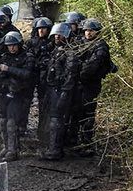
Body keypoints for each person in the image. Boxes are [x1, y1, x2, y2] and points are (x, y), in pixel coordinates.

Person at [71, 18, 116, 155]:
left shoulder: (100, 46)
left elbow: (92, 66)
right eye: (86, 30)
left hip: (91, 84)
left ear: (97, 32)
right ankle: (74, 140)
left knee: (88, 113)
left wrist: (78, 75)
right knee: (75, 111)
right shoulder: (79, 43)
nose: (88, 33)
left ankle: (87, 143)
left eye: (91, 30)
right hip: (78, 84)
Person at [0, 31, 36, 161]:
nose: (12, 48)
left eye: (14, 45)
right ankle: (6, 147)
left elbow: (27, 74)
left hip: (19, 93)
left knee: (12, 122)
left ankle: (13, 150)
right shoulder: (4, 56)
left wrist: (8, 69)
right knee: (2, 120)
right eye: (9, 45)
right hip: (4, 92)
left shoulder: (27, 56)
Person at [40, 23, 80, 160]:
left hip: (61, 90)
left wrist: (64, 92)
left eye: (60, 34)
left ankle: (55, 150)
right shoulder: (58, 49)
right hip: (52, 89)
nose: (57, 36)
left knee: (57, 120)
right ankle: (52, 147)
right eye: (56, 34)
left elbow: (71, 75)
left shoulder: (70, 52)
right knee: (52, 119)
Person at [28, 17, 55, 141]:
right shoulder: (31, 42)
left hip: (45, 78)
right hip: (32, 76)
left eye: (43, 28)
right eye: (39, 28)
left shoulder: (52, 44)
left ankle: (42, 131)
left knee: (44, 104)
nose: (41, 31)